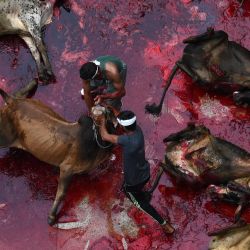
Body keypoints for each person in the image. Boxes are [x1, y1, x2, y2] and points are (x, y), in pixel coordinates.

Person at [100, 110, 175, 234]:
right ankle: (143, 193)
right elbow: (125, 118)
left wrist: (102, 120)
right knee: (137, 188)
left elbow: (104, 136)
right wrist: (112, 109)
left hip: (133, 182)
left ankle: (164, 223)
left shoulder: (126, 140)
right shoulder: (138, 130)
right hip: (144, 172)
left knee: (140, 203)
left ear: (123, 126)